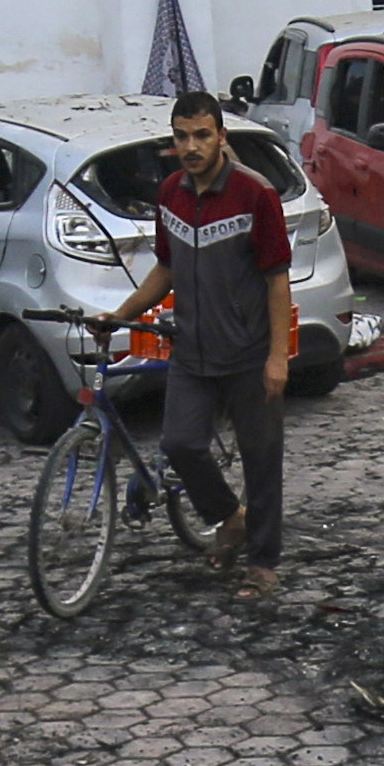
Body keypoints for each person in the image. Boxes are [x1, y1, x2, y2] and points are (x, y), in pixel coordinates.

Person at [97, 90, 292, 587]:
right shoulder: (170, 195)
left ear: (221, 137)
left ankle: (262, 563)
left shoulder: (255, 194)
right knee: (181, 445)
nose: (192, 146)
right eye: (182, 136)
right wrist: (121, 314)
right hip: (192, 351)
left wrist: (277, 358)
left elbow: (276, 279)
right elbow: (167, 267)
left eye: (202, 135)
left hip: (248, 353)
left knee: (260, 457)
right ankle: (230, 520)